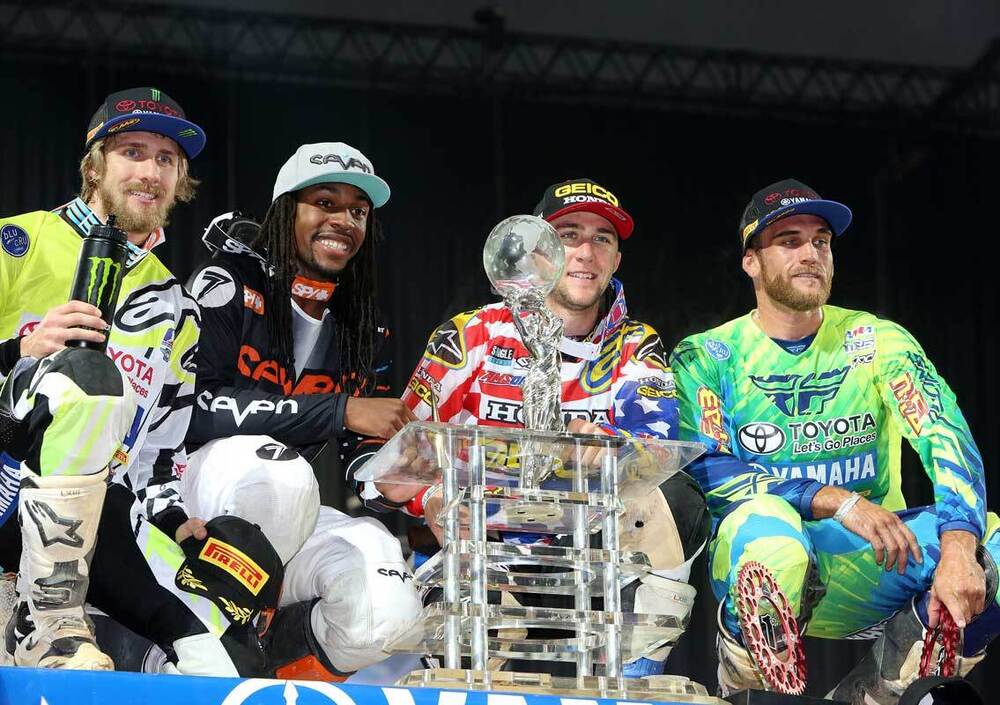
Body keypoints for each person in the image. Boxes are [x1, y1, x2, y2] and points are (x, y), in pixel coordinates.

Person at [669, 179, 1000, 702]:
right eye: (789, 241)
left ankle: (878, 691)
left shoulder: (876, 340)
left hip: (876, 558)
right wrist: (833, 500)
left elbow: (945, 436)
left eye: (820, 241)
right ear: (751, 261)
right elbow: (708, 471)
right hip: (762, 561)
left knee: (992, 549)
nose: (810, 254)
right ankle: (744, 687)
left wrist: (960, 546)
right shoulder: (707, 356)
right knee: (773, 535)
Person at [376, 178, 710, 676]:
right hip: (482, 561)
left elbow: (660, 457)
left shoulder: (636, 345)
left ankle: (632, 680)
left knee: (676, 499)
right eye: (569, 235)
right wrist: (435, 501)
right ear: (534, 252)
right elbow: (396, 457)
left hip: (591, 564)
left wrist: (616, 448)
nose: (586, 253)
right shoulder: (470, 335)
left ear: (616, 260)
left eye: (602, 239)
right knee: (464, 645)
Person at [0, 87, 269, 675]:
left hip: (100, 513)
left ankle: (54, 611)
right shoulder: (16, 242)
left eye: (166, 159)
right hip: (6, 478)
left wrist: (177, 523)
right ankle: (41, 619)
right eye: (133, 152)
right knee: (84, 380)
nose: (150, 172)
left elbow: (156, 455)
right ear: (94, 165)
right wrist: (17, 351)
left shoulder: (178, 306)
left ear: (180, 181)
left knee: (226, 658)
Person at [183, 142, 422, 681]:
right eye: (325, 203)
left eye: (358, 211)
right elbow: (194, 409)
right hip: (186, 499)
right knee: (280, 474)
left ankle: (261, 671)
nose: (343, 221)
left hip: (288, 515)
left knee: (387, 603)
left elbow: (360, 453)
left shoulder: (365, 325)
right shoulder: (227, 282)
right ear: (286, 211)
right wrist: (339, 410)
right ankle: (210, 646)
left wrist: (390, 477)